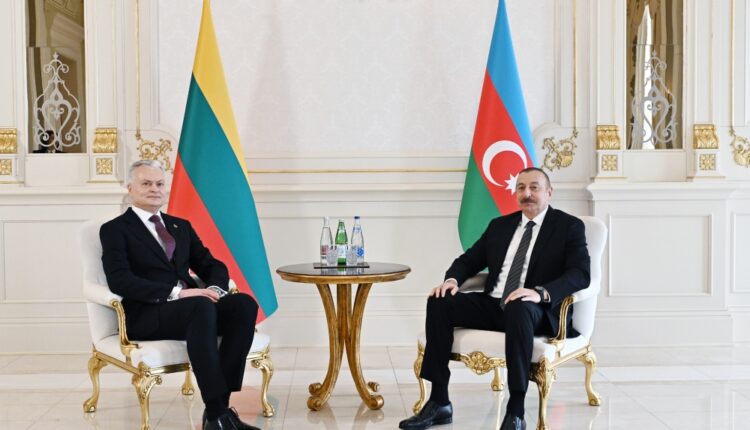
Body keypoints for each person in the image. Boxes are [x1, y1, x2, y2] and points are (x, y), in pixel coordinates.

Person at [399, 167, 590, 430]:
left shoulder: (568, 226)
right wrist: (452, 281)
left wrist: (540, 292)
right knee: (439, 301)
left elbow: (580, 274)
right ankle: (439, 401)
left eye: (534, 187)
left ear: (549, 192)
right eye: (521, 188)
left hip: (535, 309)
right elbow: (468, 260)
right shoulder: (500, 226)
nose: (527, 193)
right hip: (495, 304)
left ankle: (516, 411)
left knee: (519, 307)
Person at [100, 160, 261, 430]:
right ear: (130, 188)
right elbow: (120, 280)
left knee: (243, 304)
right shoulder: (115, 229)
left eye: (159, 184)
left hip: (194, 311)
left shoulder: (180, 226)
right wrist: (178, 293)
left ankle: (219, 412)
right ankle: (218, 414)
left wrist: (214, 289)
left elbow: (212, 265)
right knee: (199, 305)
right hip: (147, 313)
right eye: (146, 183)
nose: (154, 189)